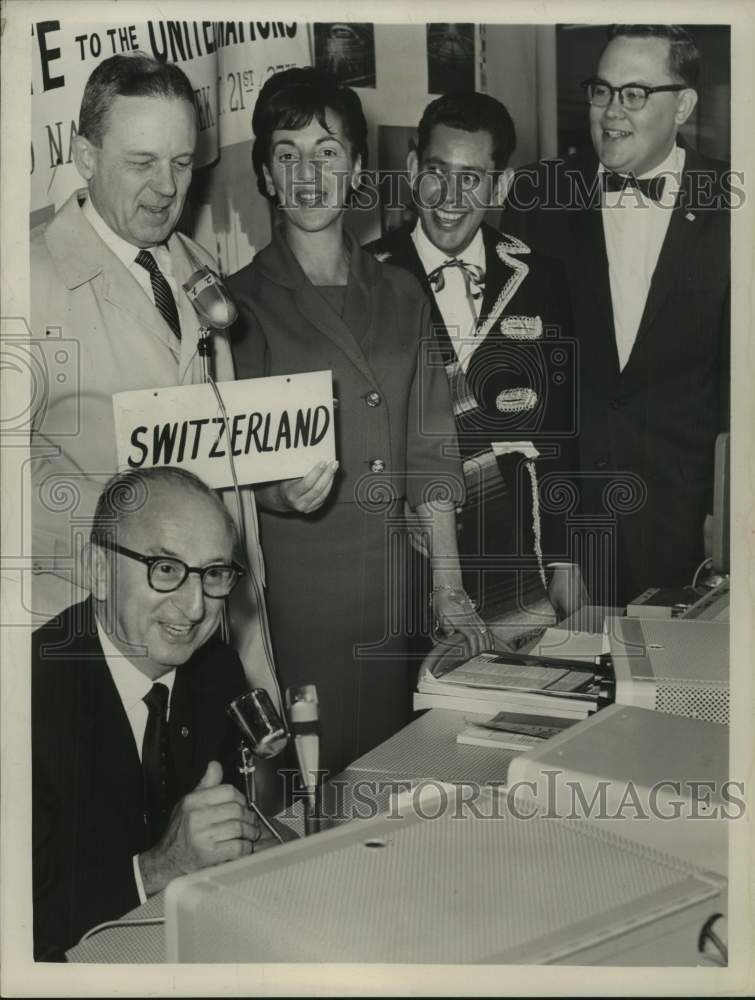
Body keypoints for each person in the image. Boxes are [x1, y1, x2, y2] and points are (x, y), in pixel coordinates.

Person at [228, 68, 490, 777]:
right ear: (265, 174)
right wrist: (272, 494)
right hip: (297, 602)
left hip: (395, 595)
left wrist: (448, 588)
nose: (308, 174)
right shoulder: (234, 308)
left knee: (397, 788)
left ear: (355, 168)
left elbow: (430, 448)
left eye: (327, 151)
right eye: (286, 154)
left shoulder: (401, 293)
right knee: (312, 797)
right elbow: (217, 471)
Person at [28, 52, 273, 691]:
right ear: (85, 158)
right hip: (83, 639)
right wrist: (134, 549)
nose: (166, 187)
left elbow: (217, 455)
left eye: (182, 162)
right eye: (141, 162)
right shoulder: (23, 281)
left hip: (200, 634)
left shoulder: (193, 262)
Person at [502, 25, 730, 605]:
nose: (610, 112)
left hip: (697, 536)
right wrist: (559, 545)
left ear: (683, 104)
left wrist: (728, 519)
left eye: (634, 94)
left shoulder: (732, 203)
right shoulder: (540, 196)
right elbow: (533, 387)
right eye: (601, 91)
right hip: (576, 539)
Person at [366, 92, 586, 637]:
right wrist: (396, 504)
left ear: (501, 185)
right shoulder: (367, 276)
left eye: (473, 178)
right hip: (408, 554)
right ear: (414, 168)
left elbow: (560, 429)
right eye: (437, 172)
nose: (450, 197)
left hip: (520, 547)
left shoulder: (539, 276)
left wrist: (565, 556)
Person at [32, 467, 260, 959]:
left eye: (214, 573)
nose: (196, 607)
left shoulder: (217, 671)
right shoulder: (23, 700)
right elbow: (20, 922)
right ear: (98, 571)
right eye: (166, 569)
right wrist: (157, 868)